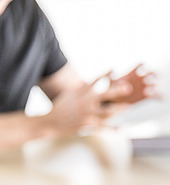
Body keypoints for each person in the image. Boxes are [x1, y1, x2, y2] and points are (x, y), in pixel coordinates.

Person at [0, 0, 157, 151]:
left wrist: (111, 98)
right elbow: (60, 120)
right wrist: (49, 123)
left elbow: (75, 98)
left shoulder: (29, 14)